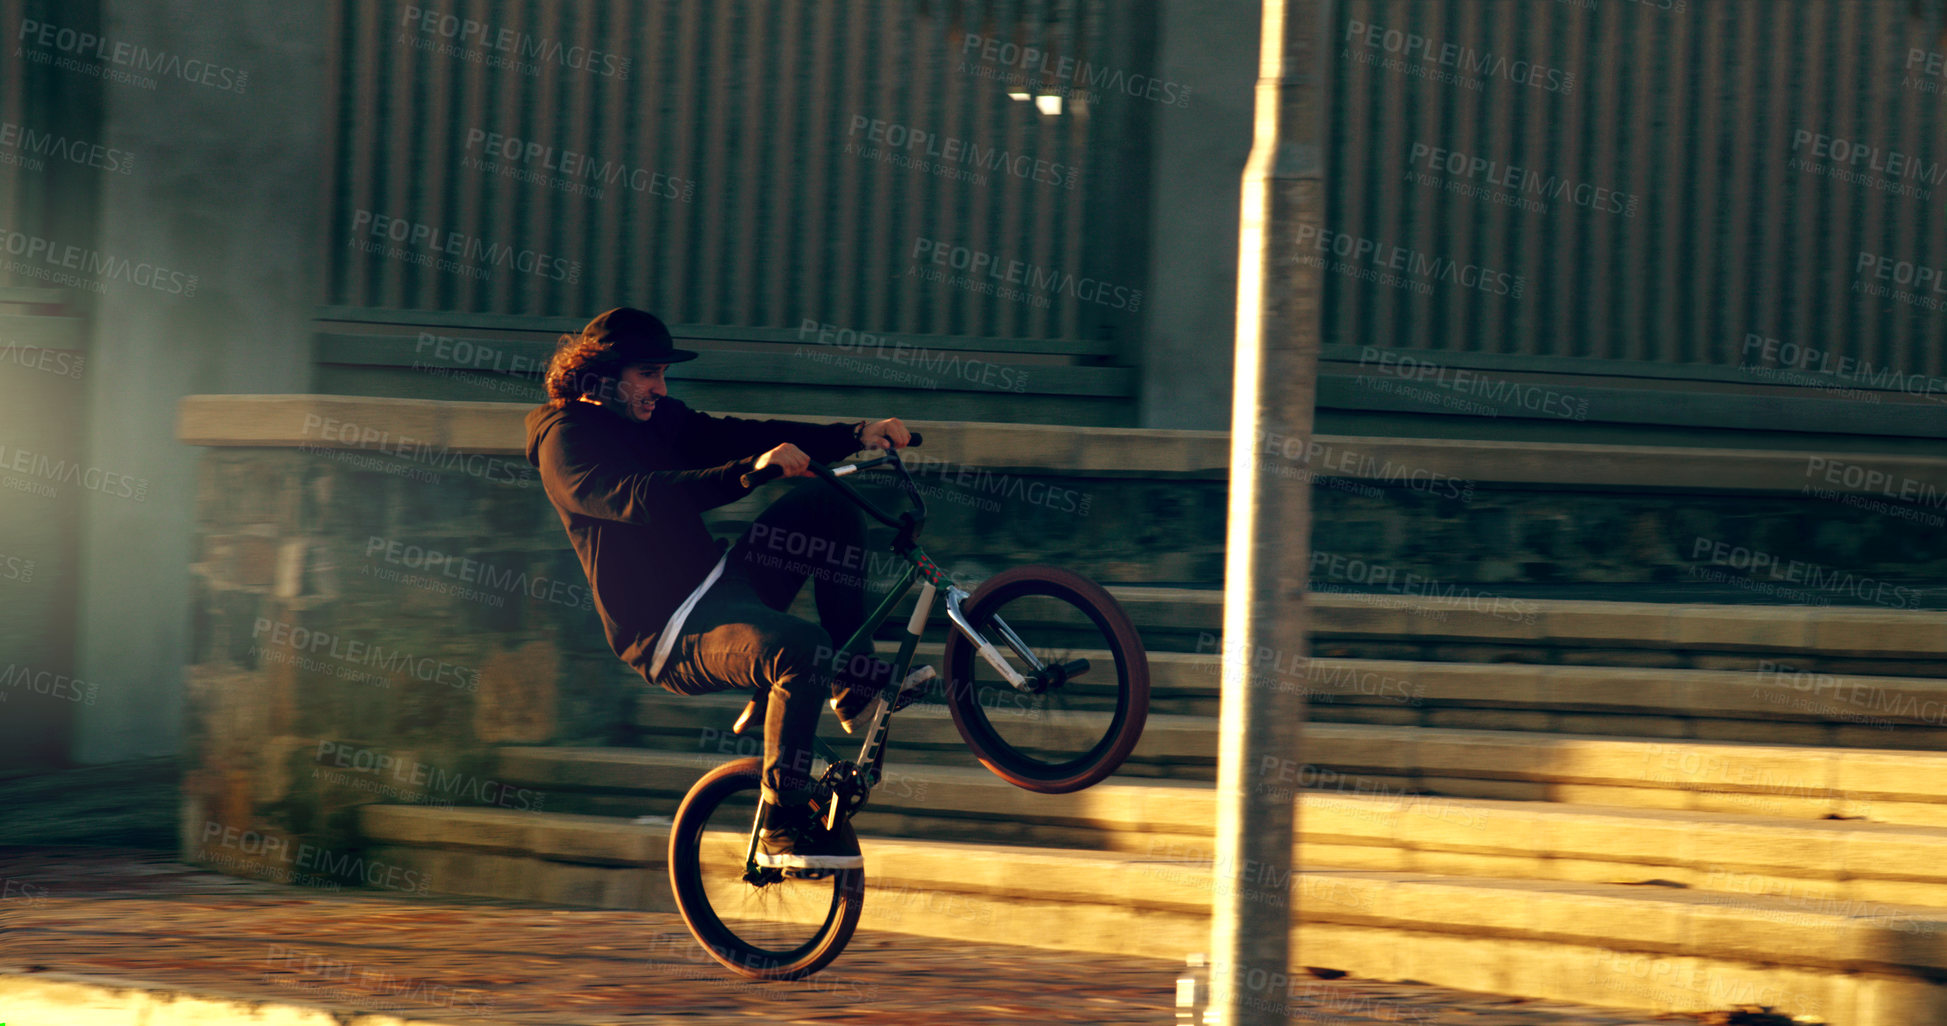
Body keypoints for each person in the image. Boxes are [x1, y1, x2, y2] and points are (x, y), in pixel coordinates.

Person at [523, 307, 920, 871]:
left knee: (826, 505)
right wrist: (747, 474)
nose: (660, 388)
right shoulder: (564, 444)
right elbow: (643, 497)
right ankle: (782, 825)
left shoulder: (656, 417)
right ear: (601, 376)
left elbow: (736, 435)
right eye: (648, 375)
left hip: (719, 582)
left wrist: (853, 436)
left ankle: (854, 683)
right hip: (668, 633)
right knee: (801, 648)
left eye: (663, 374)